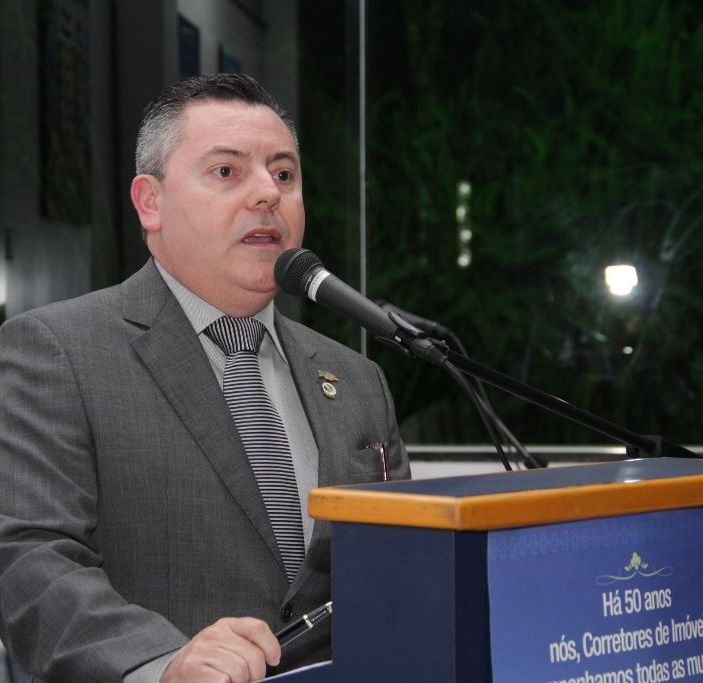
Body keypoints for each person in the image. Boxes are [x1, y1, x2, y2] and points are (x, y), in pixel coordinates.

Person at [0, 73, 410, 682]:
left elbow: (402, 566)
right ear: (151, 203)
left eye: (284, 174)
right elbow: (26, 557)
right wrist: (161, 662)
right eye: (226, 171)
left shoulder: (356, 378)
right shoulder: (58, 351)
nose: (267, 194)